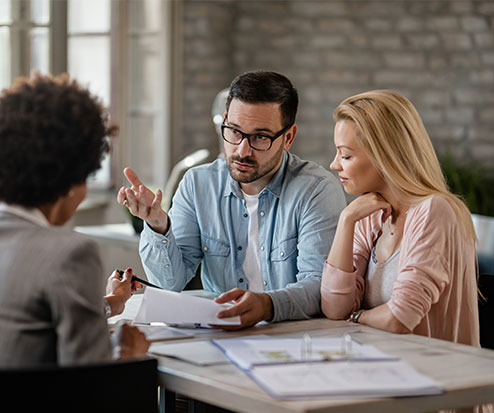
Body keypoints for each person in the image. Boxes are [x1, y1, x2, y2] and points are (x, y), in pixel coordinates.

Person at [118, 70, 346, 329]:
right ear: (224, 122)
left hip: (293, 337)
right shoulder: (198, 185)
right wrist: (158, 224)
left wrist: (266, 306)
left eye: (260, 137)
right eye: (234, 132)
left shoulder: (316, 190)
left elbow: (320, 287)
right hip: (220, 335)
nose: (242, 150)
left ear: (288, 138)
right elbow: (171, 283)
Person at [0, 74, 150, 367]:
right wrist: (128, 356)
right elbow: (90, 393)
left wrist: (109, 305)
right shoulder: (68, 254)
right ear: (71, 180)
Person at [321, 89, 479, 346]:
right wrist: (346, 220)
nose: (334, 164)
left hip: (439, 375)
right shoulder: (368, 216)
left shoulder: (434, 211)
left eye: (346, 155)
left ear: (384, 156)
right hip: (385, 367)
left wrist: (357, 316)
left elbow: (400, 317)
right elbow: (335, 307)